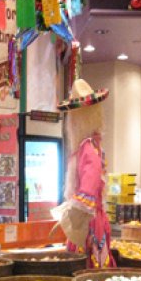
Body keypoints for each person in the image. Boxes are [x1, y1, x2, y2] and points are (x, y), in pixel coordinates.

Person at [52, 79, 116, 268]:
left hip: (88, 223)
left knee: (87, 267)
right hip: (90, 219)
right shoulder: (93, 146)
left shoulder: (87, 149)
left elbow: (89, 187)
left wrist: (70, 213)